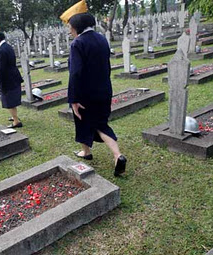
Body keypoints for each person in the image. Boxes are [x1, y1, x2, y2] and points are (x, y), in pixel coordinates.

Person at [60, 0, 127, 176]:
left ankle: (109, 154)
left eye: (70, 26)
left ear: (77, 27)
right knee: (99, 123)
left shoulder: (78, 44)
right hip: (104, 90)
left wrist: (73, 99)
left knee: (89, 123)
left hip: (85, 94)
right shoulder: (101, 39)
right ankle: (96, 152)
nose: (69, 30)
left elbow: (75, 73)